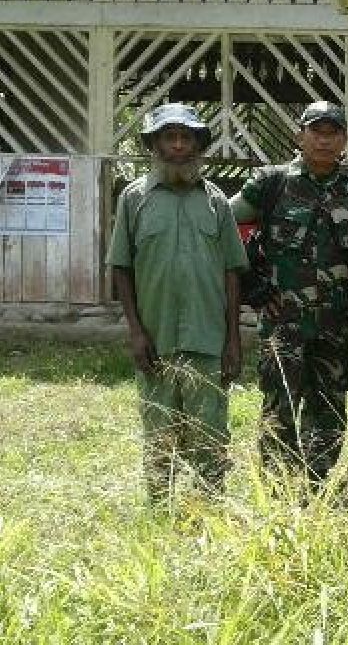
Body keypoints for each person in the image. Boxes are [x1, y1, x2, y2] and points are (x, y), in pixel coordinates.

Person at [107, 103, 247, 502]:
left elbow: (232, 271)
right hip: (157, 339)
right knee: (159, 435)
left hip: (209, 340)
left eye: (187, 138)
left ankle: (209, 513)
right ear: (155, 144)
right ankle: (160, 514)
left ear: (198, 145)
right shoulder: (134, 199)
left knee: (210, 436)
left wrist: (233, 340)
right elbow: (121, 268)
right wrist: (135, 331)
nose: (179, 146)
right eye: (170, 137)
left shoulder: (216, 201)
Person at [230, 101, 348, 490]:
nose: (324, 140)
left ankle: (314, 488)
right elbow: (222, 224)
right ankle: (278, 493)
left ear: (344, 140)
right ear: (300, 136)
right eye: (316, 131)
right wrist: (251, 285)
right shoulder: (271, 182)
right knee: (280, 407)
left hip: (335, 323)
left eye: (333, 133)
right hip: (283, 322)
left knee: (330, 409)